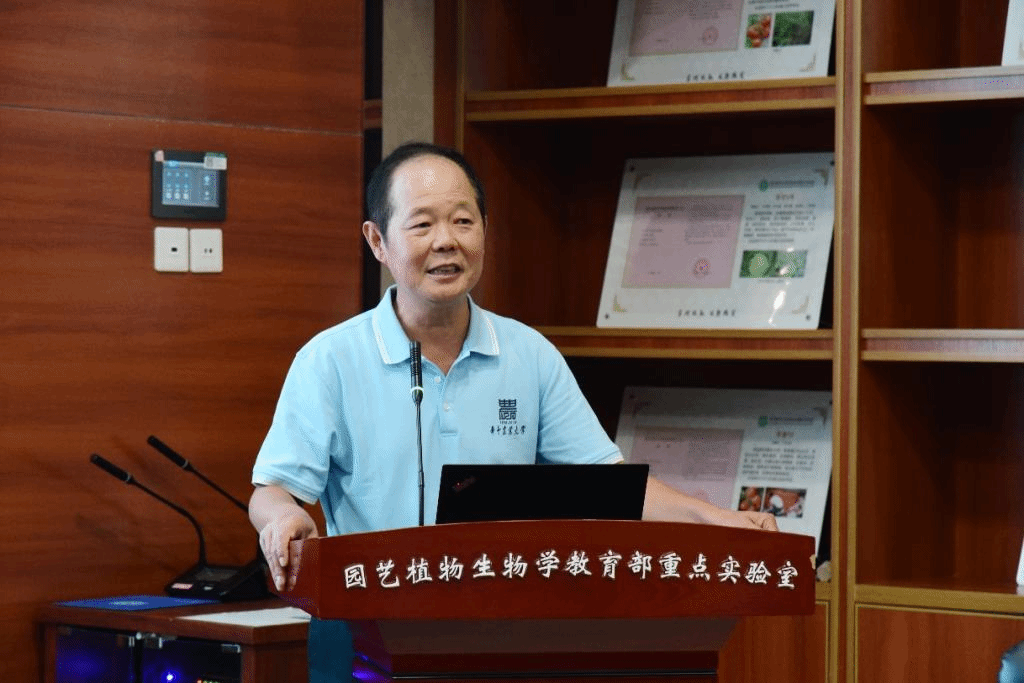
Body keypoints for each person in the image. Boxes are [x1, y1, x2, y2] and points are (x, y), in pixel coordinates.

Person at [248, 141, 778, 681]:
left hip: (503, 629)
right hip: (368, 632)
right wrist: (284, 518)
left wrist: (717, 519)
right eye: (422, 224)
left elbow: (608, 485)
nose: (446, 241)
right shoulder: (330, 360)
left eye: (463, 220)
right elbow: (272, 491)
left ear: (485, 230)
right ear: (378, 241)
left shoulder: (529, 354)